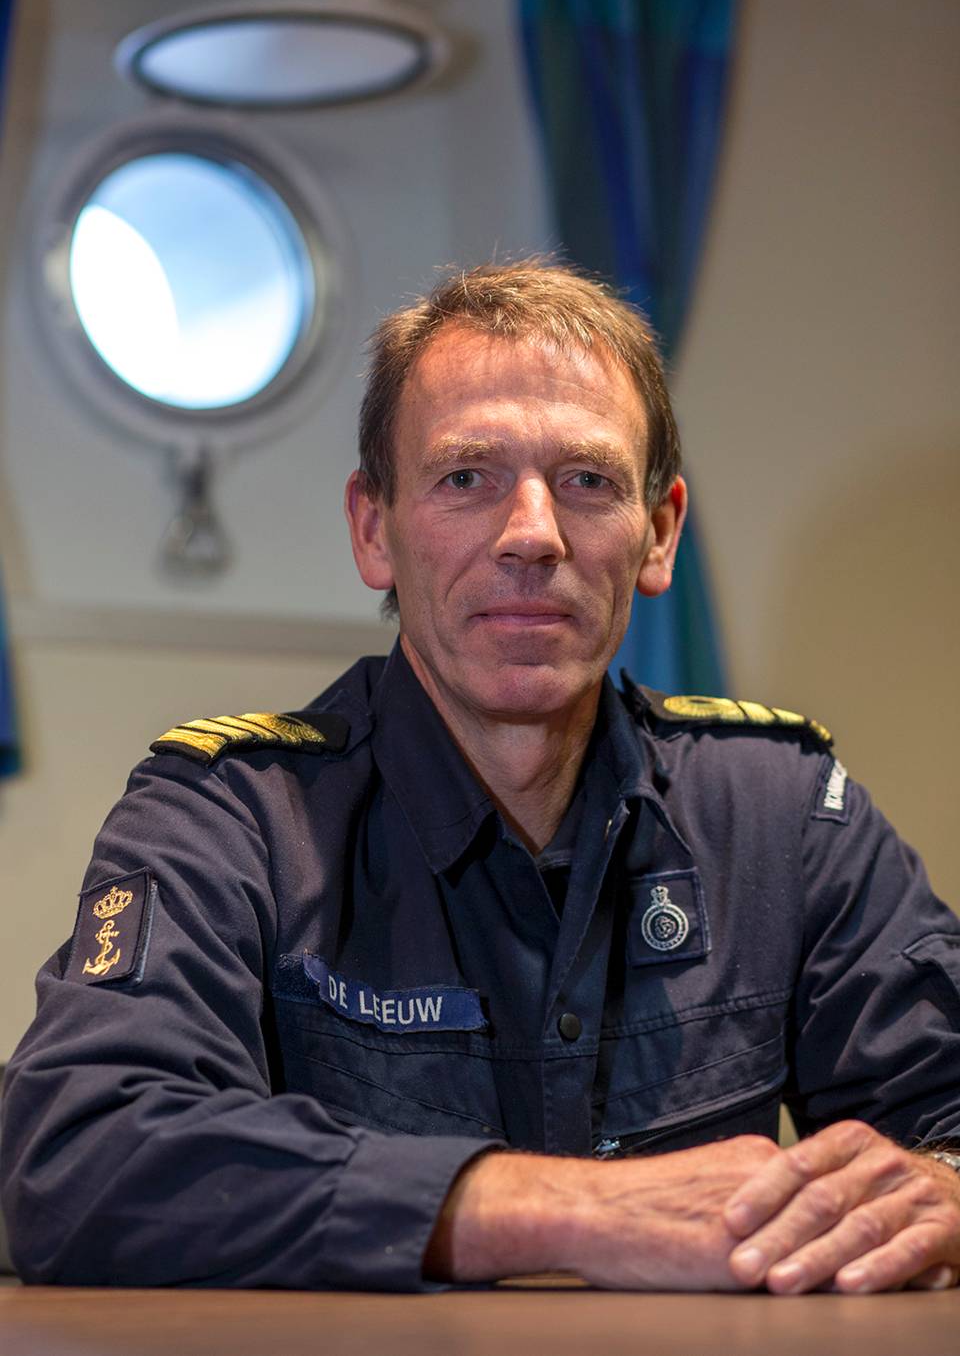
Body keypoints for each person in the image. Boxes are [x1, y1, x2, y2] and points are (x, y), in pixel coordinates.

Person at [2, 260, 960, 1296]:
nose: (532, 535)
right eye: (467, 476)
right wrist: (574, 1214)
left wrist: (941, 1186)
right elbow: (72, 1160)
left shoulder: (783, 813)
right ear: (375, 528)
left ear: (659, 532)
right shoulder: (232, 815)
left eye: (588, 480)